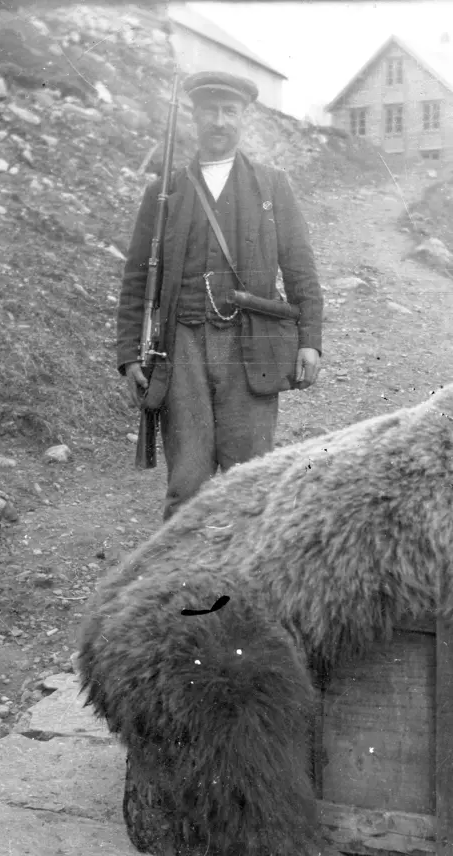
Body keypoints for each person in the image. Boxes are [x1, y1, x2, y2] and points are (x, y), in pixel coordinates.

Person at [116, 70, 324, 521]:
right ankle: (179, 585)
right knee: (186, 485)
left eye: (230, 111)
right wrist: (131, 353)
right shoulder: (163, 193)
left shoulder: (271, 187)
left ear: (243, 119)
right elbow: (136, 279)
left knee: (249, 484)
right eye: (210, 110)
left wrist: (309, 339)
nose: (219, 120)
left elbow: (300, 268)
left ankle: (245, 588)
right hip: (182, 348)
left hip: (249, 349)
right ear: (194, 116)